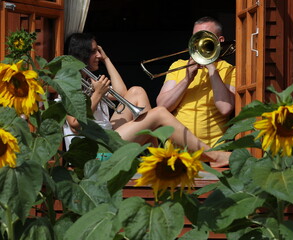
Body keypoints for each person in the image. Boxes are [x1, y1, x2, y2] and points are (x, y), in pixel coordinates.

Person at [63, 32, 229, 164]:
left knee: (137, 91)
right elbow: (75, 124)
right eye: (94, 52)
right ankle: (213, 155)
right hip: (96, 151)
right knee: (159, 113)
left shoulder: (90, 79)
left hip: (105, 136)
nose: (98, 55)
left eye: (98, 51)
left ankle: (154, 155)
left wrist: (106, 59)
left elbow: (121, 93)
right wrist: (98, 94)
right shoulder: (68, 82)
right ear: (81, 54)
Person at [156, 16, 236, 167]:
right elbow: (163, 106)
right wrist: (187, 79)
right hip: (176, 154)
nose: (200, 43)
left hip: (212, 156)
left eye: (206, 38)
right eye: (196, 38)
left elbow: (225, 108)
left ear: (220, 40)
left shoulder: (229, 70)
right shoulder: (178, 65)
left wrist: (212, 67)